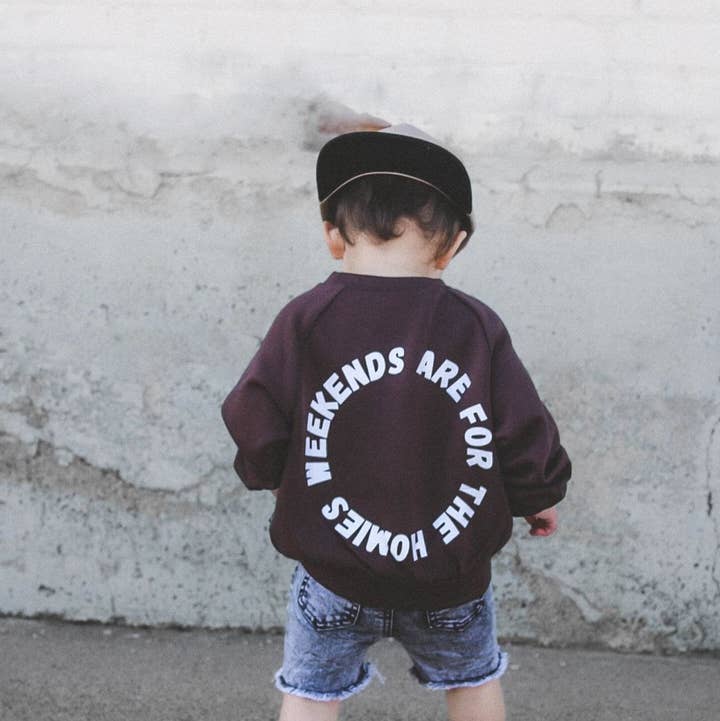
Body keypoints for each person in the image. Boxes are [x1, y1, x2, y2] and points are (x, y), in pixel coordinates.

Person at [221, 123, 572, 721]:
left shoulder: (305, 319)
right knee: (472, 682)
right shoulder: (476, 326)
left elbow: (253, 412)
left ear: (333, 237)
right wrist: (538, 496)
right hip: (449, 579)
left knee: (310, 694)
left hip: (333, 573)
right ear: (452, 245)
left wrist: (278, 479)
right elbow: (519, 428)